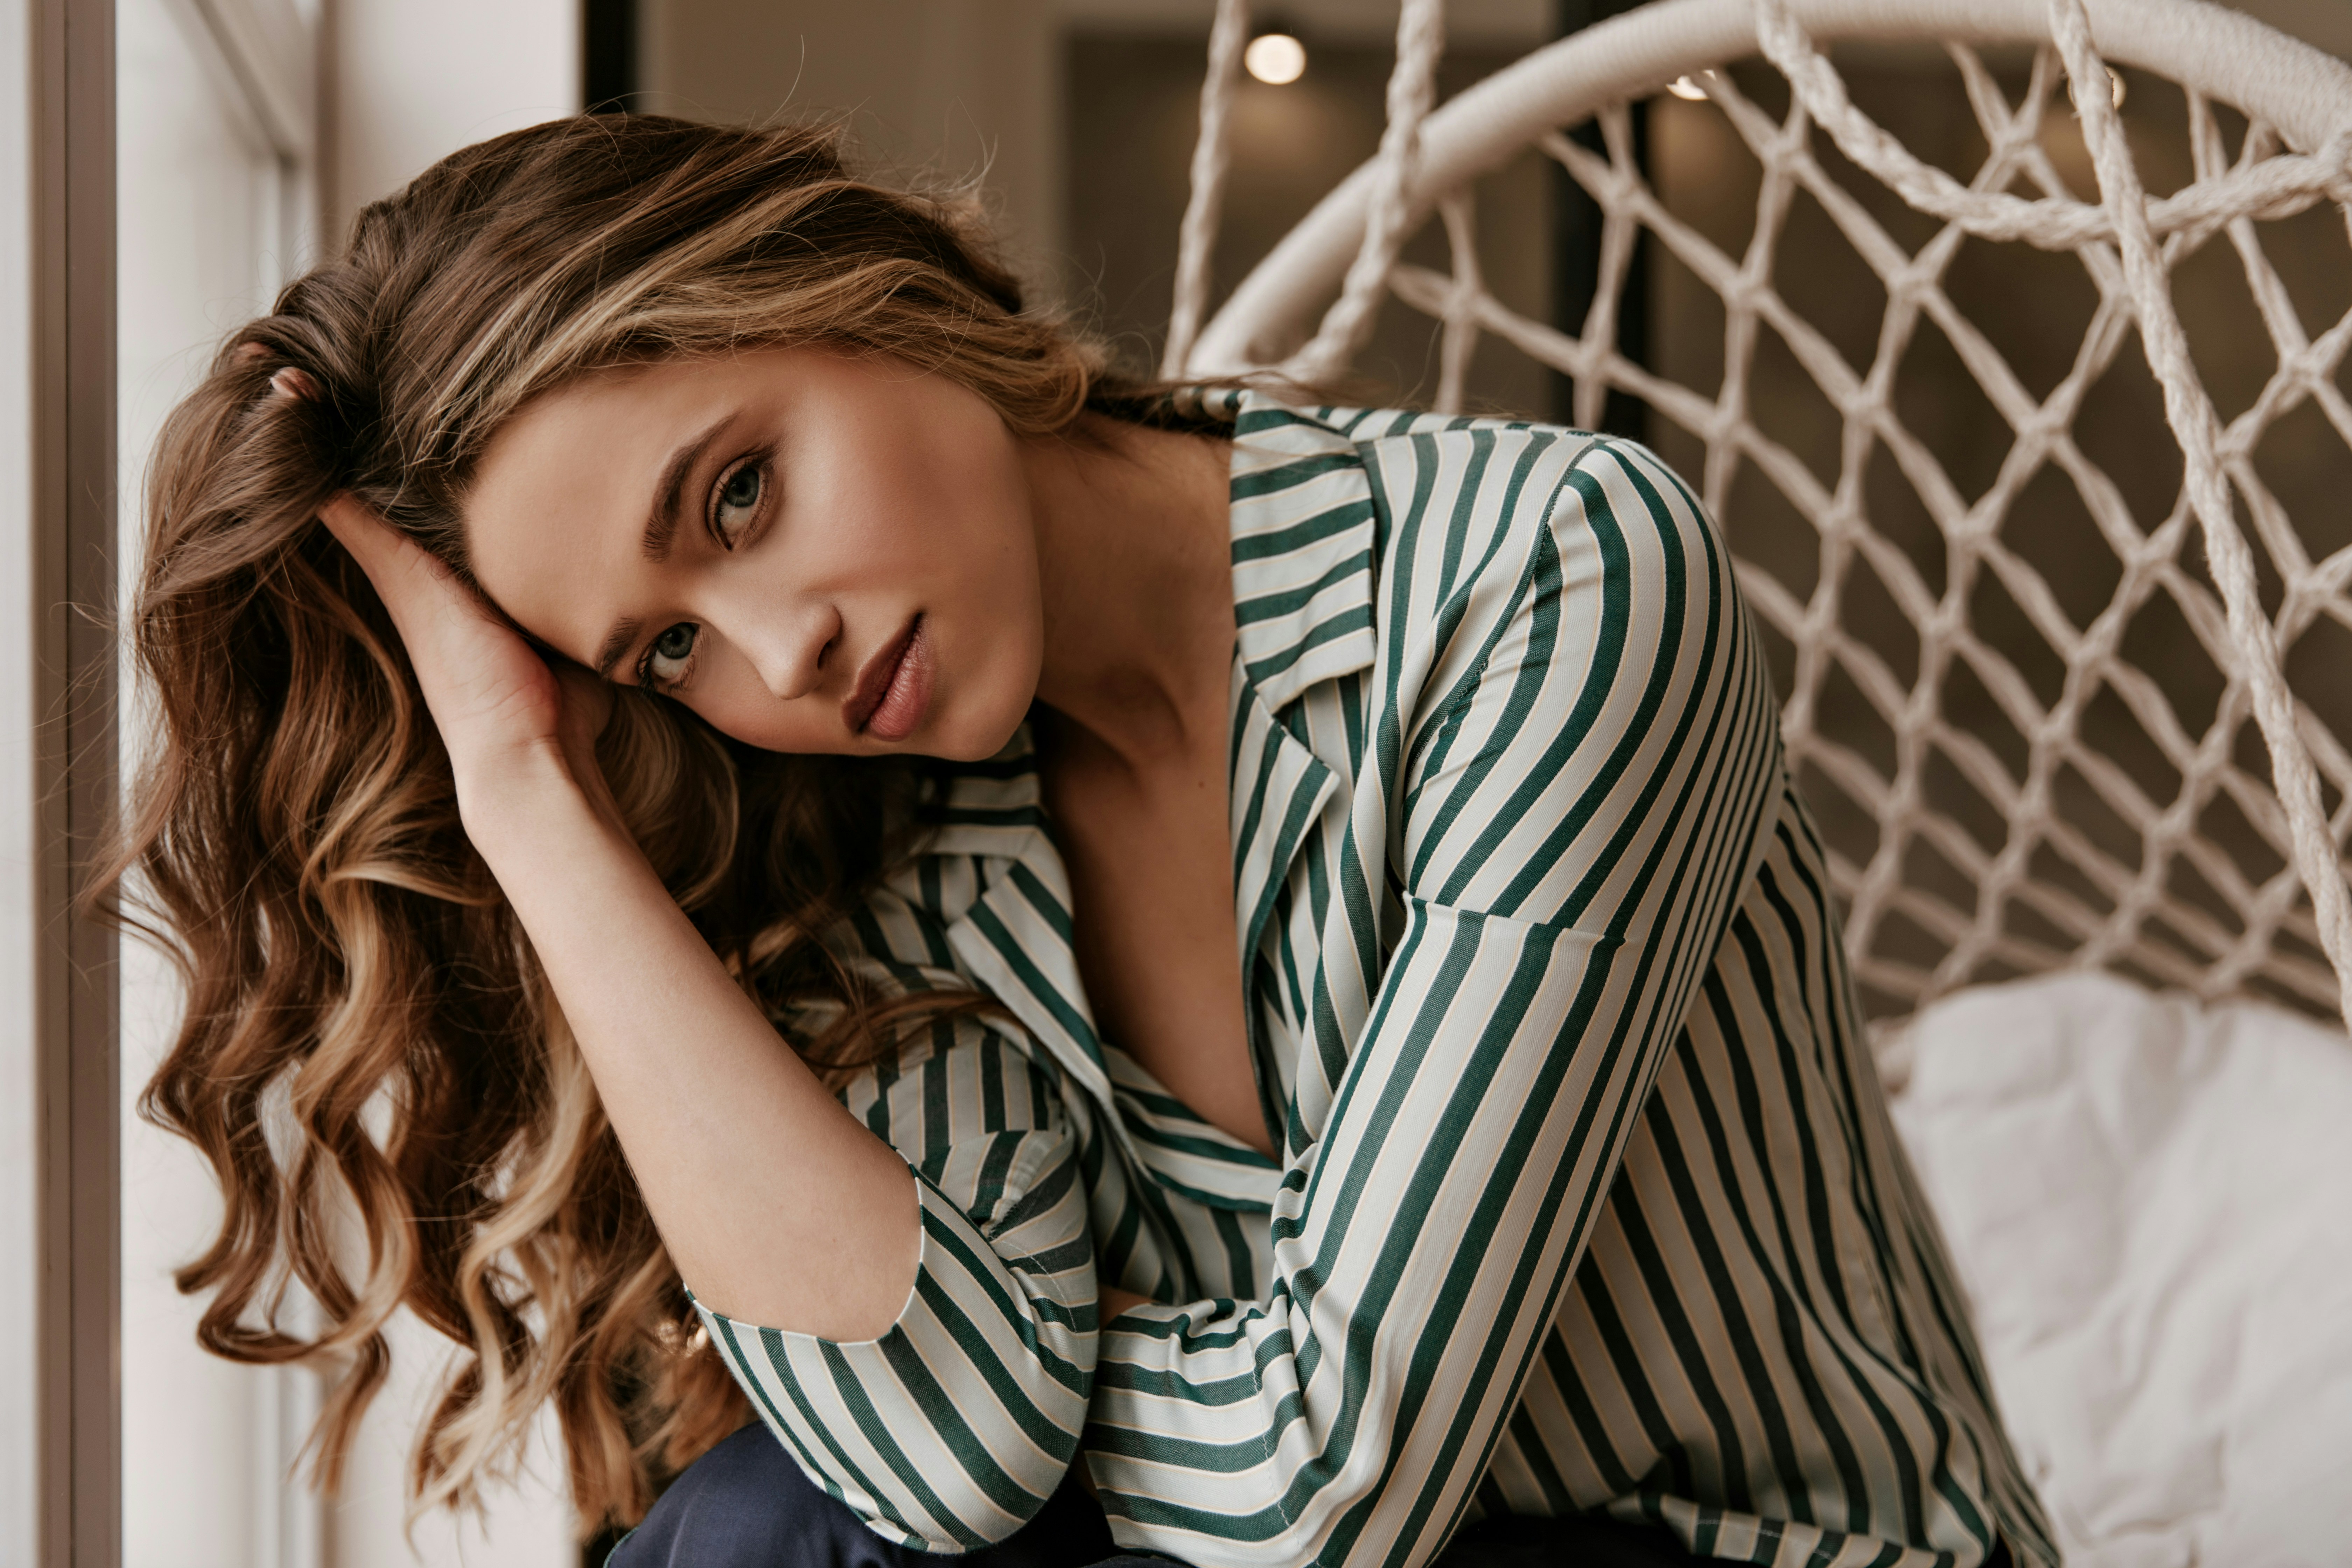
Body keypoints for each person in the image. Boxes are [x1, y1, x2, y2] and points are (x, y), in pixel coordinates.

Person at [110, 114, 2054, 1568]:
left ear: (860, 284)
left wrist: (1029, 1360)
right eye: (670, 650)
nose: (784, 655)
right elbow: (944, 1470)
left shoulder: (1550, 582)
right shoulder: (895, 845)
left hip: (1760, 1549)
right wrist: (526, 795)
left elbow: (1332, 1493)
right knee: (775, 1522)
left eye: (742, 492)